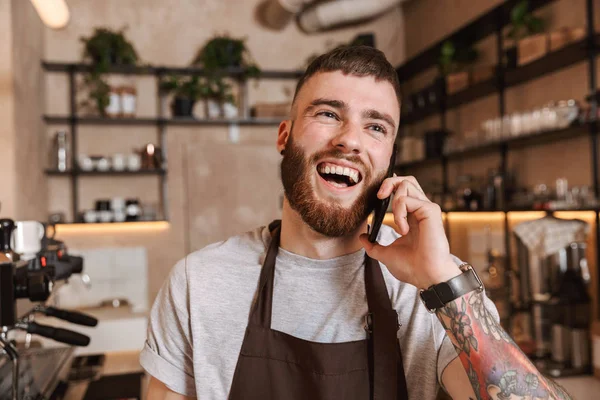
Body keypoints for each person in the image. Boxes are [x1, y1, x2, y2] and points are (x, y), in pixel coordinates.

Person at [141, 46, 572, 400]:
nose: (349, 139)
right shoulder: (199, 286)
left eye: (376, 127)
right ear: (284, 136)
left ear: (390, 161)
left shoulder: (431, 293)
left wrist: (441, 279)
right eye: (328, 114)